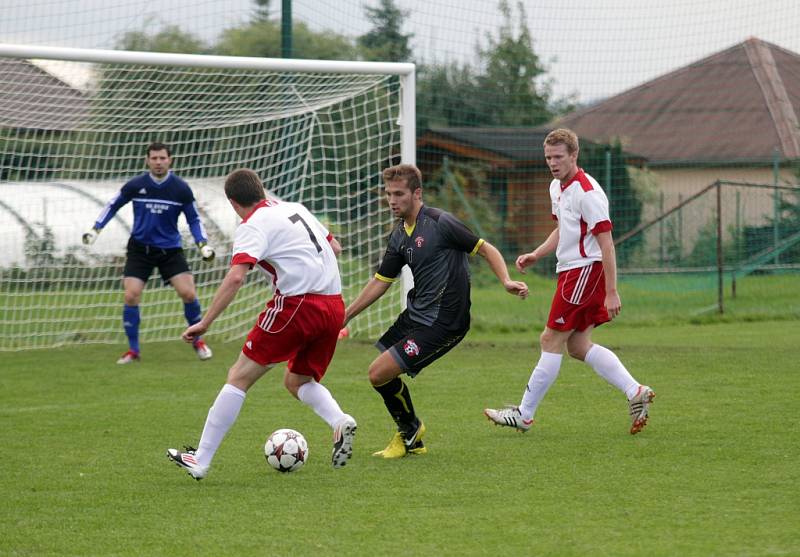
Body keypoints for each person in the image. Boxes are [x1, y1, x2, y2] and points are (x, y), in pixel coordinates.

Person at [167, 168, 357, 480]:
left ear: (232, 202)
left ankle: (200, 460)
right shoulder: (295, 208)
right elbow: (334, 248)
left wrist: (206, 322)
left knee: (238, 376)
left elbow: (237, 276)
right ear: (262, 190)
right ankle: (339, 420)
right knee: (297, 381)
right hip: (334, 304)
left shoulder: (252, 224)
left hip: (297, 305)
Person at [344, 163, 529, 459]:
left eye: (399, 194)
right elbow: (381, 282)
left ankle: (410, 431)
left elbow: (486, 248)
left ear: (417, 193)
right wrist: (345, 314)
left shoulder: (441, 223)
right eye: (388, 194)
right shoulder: (399, 236)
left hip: (445, 322)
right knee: (380, 375)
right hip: (416, 315)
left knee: (378, 372)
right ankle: (413, 437)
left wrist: (505, 280)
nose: (392, 200)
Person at [484, 128, 655, 435]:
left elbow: (607, 244)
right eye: (548, 157)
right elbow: (563, 229)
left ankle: (524, 415)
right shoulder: (556, 187)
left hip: (584, 273)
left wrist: (612, 292)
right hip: (574, 272)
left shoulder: (587, 192)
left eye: (559, 157)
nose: (552, 162)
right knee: (576, 345)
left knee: (550, 339)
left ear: (574, 155)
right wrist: (537, 253)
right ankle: (635, 391)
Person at [82, 142, 215, 364]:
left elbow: (193, 218)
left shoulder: (180, 188)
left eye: (162, 158)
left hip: (170, 250)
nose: (158, 162)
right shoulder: (137, 184)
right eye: (154, 158)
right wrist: (96, 228)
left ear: (169, 160)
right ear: (147, 160)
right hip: (140, 249)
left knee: (189, 294)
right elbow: (113, 204)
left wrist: (202, 243)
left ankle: (198, 342)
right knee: (131, 295)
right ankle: (133, 351)